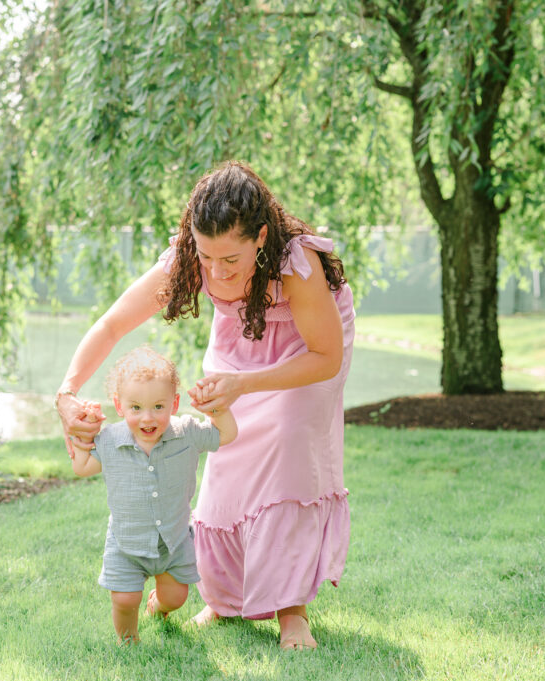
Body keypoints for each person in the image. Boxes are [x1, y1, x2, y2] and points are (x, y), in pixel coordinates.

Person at [56, 161, 355, 651]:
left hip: (309, 351)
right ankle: (224, 598)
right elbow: (112, 325)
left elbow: (327, 357)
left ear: (260, 237)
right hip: (240, 341)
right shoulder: (192, 261)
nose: (216, 272)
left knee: (284, 438)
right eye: (206, 256)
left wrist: (245, 384)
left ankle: (292, 612)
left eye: (230, 261)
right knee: (225, 453)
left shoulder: (297, 263)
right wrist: (66, 392)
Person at [69, 346, 237, 644]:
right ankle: (128, 640)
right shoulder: (109, 440)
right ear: (119, 407)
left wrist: (217, 410)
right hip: (127, 543)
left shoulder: (186, 432)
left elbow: (226, 435)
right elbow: (82, 466)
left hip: (172, 542)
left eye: (158, 407)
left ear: (174, 403)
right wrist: (81, 433)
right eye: (136, 408)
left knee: (176, 598)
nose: (148, 417)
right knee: (124, 598)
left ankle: (157, 605)